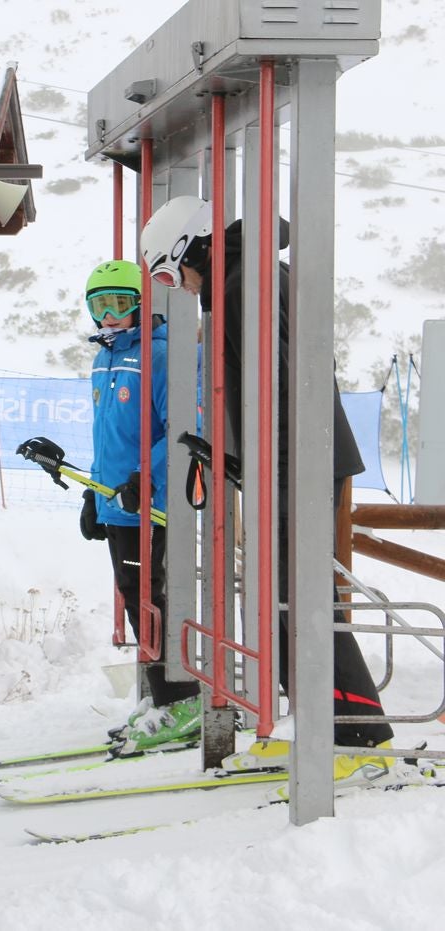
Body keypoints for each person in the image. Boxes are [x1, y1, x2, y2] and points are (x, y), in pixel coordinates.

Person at [139, 195, 394, 780]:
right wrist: (238, 456)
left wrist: (263, 461)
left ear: (194, 246)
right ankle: (320, 723)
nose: (176, 287)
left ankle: (358, 733)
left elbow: (278, 385)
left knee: (296, 599)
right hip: (294, 459)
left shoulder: (237, 288)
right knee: (281, 598)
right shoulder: (247, 277)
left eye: (170, 272)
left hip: (297, 462)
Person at [79, 259, 202, 756]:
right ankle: (160, 699)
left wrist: (143, 481)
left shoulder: (162, 355)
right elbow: (107, 434)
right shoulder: (104, 358)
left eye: (120, 304)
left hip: (149, 503)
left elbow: (181, 428)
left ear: (143, 306)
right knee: (135, 599)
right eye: (99, 306)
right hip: (117, 503)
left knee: (155, 601)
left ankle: (185, 700)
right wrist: (95, 491)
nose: (109, 317)